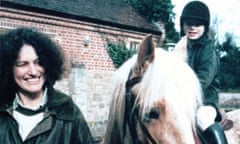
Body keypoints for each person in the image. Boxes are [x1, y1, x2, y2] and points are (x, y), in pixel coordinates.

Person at [0, 27, 94, 144]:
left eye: (39, 62)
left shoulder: (67, 110)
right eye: (22, 64)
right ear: (8, 68)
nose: (33, 72)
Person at [173, 1, 232, 144]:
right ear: (182, 25)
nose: (192, 27)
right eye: (188, 23)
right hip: (182, 102)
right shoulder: (179, 47)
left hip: (205, 102)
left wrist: (181, 93)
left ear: (205, 27)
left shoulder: (208, 50)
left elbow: (203, 80)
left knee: (202, 119)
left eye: (198, 24)